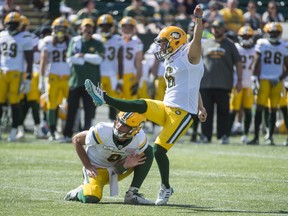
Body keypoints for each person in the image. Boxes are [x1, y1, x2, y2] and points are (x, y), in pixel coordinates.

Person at [85, 5, 207, 205]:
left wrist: (199, 20)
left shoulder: (190, 55)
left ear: (176, 41)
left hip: (182, 113)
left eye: (165, 42)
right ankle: (104, 98)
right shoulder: (171, 58)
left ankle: (166, 187)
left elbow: (197, 39)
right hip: (166, 106)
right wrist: (202, 106)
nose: (161, 47)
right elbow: (193, 85)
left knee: (159, 149)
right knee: (140, 105)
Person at [64, 111, 154, 205]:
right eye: (120, 121)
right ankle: (78, 192)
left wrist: (125, 165)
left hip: (116, 169)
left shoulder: (139, 139)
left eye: (125, 126)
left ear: (135, 129)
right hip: (96, 170)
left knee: (147, 151)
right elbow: (76, 140)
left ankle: (132, 194)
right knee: (90, 197)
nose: (119, 126)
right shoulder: (103, 130)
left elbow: (117, 170)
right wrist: (88, 166)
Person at [61, 18, 104, 142]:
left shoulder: (97, 43)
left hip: (91, 83)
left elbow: (98, 59)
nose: (87, 30)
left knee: (89, 112)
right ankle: (67, 134)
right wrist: (85, 59)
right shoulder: (75, 42)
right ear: (81, 29)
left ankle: (87, 137)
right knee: (72, 110)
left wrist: (83, 56)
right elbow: (70, 58)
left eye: (90, 28)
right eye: (85, 27)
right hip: (75, 81)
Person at [200, 19, 243, 144]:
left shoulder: (230, 44)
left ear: (223, 29)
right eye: (213, 27)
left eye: (218, 27)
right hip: (206, 84)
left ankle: (223, 135)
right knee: (205, 112)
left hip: (224, 84)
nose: (215, 30)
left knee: (223, 112)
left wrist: (239, 80)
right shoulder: (205, 43)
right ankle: (205, 136)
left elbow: (238, 63)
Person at [247, 22, 288, 145]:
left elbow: (287, 66)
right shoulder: (262, 43)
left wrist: (280, 77)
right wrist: (254, 77)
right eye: (271, 32)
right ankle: (256, 136)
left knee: (274, 109)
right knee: (259, 108)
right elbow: (256, 61)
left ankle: (269, 136)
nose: (273, 34)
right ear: (267, 32)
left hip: (277, 81)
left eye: (275, 32)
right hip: (264, 79)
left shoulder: (283, 46)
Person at [0, 11, 34, 141]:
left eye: (14, 24)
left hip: (16, 74)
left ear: (19, 24)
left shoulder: (25, 37)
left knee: (15, 103)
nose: (12, 26)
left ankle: (14, 130)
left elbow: (29, 60)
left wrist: (28, 79)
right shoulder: (2, 35)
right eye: (10, 24)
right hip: (1, 73)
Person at [39, 16, 71, 141]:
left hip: (67, 78)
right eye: (58, 28)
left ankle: (66, 130)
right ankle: (52, 131)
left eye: (63, 28)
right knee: (51, 105)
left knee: (70, 105)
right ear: (53, 29)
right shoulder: (48, 42)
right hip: (53, 77)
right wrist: (41, 80)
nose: (60, 31)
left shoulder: (71, 41)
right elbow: (43, 60)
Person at [16, 15, 44, 140]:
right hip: (16, 72)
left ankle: (36, 128)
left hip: (31, 72)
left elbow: (38, 58)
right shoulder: (9, 37)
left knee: (33, 102)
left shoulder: (34, 39)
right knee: (19, 103)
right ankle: (18, 128)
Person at [93, 14, 124, 121]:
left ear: (112, 26)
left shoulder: (118, 39)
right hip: (98, 74)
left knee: (113, 100)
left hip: (112, 75)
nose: (105, 28)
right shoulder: (96, 38)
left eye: (107, 26)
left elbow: (120, 60)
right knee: (94, 99)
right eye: (103, 26)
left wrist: (120, 78)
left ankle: (112, 121)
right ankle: (91, 120)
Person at [228, 25, 257, 144]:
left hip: (249, 82)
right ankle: (228, 133)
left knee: (248, 110)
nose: (245, 38)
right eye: (243, 36)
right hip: (236, 82)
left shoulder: (255, 49)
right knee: (233, 109)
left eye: (248, 36)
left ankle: (245, 133)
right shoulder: (236, 47)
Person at [118, 16, 143, 100]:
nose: (127, 29)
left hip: (129, 75)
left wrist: (137, 82)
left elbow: (139, 63)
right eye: (125, 27)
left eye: (130, 27)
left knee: (129, 102)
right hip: (115, 74)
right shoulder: (116, 39)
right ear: (121, 28)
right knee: (115, 102)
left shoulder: (137, 42)